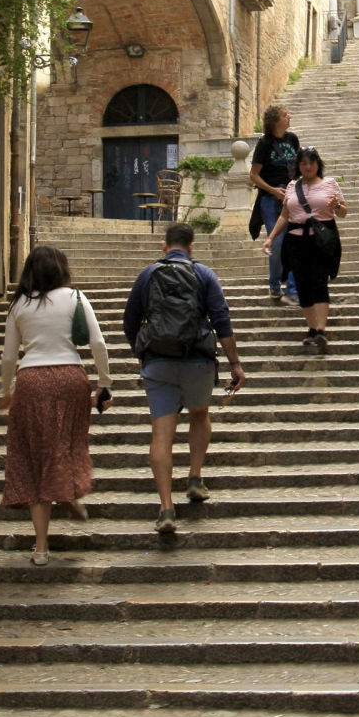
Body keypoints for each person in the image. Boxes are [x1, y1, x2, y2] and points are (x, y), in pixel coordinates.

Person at [123, 223, 247, 534]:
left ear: (164, 246)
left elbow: (129, 320)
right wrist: (235, 364)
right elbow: (221, 320)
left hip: (158, 362)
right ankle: (194, 478)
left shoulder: (147, 275)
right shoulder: (204, 275)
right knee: (200, 414)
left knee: (161, 434)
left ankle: (166, 509)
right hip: (197, 360)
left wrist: (143, 352)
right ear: (191, 248)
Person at [0, 244, 112, 567]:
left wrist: (5, 390)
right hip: (70, 376)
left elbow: (8, 355)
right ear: (62, 269)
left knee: (34, 457)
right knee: (70, 443)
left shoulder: (19, 303)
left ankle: (41, 547)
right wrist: (105, 383)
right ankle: (70, 491)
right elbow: (98, 343)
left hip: (31, 380)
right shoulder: (76, 298)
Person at [262, 147, 347, 351]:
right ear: (299, 166)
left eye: (311, 163)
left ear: (318, 164)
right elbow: (284, 215)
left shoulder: (330, 184)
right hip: (296, 240)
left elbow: (343, 212)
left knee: (319, 282)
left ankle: (321, 330)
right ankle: (311, 328)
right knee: (302, 284)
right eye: (303, 163)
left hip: (321, 240)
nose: (307, 167)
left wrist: (336, 206)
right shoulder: (292, 186)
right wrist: (271, 238)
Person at [249, 103, 300, 304]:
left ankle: (293, 289)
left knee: (296, 242)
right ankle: (275, 284)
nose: (290, 116)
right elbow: (253, 175)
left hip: (292, 198)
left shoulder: (292, 139)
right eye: (285, 114)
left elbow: (298, 168)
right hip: (270, 199)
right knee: (277, 241)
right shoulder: (264, 144)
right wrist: (273, 190)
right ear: (276, 121)